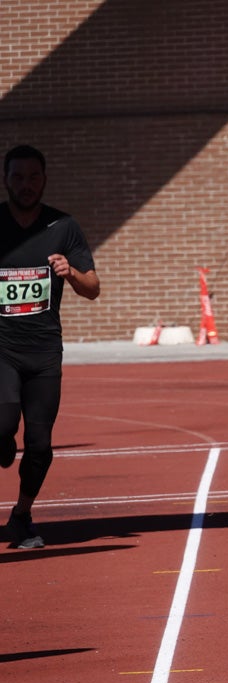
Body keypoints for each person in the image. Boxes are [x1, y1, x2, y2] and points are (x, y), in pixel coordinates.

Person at [1, 145, 101, 549]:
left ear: (44, 180)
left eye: (33, 177)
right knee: (4, 428)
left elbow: (93, 289)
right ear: (6, 179)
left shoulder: (63, 226)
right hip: (2, 350)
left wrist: (71, 272)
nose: (26, 185)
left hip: (44, 353)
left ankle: (22, 515)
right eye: (18, 177)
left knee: (40, 444)